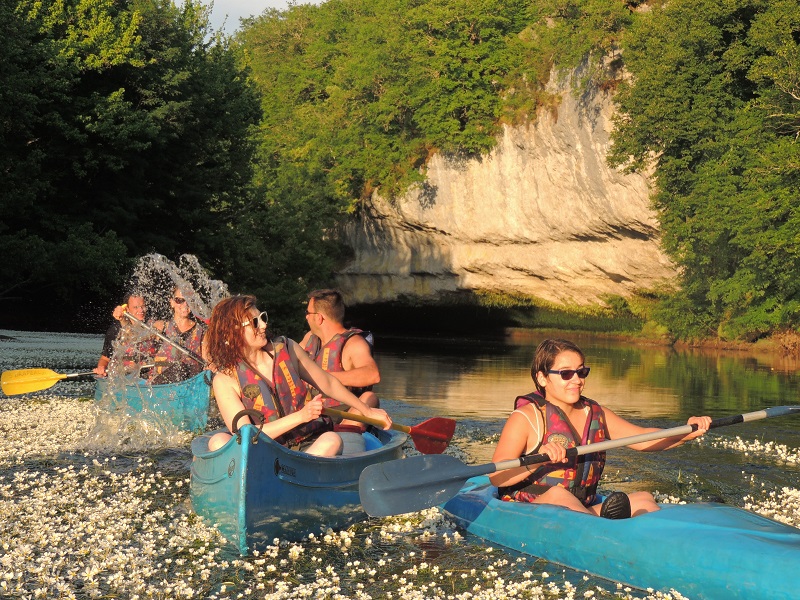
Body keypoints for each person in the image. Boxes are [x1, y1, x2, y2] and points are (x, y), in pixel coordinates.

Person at [489, 338, 712, 519]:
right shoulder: (527, 417)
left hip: (582, 508)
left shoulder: (596, 413)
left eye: (581, 372)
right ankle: (605, 528)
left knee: (643, 499)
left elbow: (643, 439)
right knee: (558, 495)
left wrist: (685, 432)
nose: (577, 380)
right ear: (542, 377)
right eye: (566, 374)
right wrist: (539, 459)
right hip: (529, 507)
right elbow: (497, 477)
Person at [204, 295, 393, 455]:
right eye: (254, 322)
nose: (263, 325)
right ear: (232, 332)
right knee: (218, 441)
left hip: (306, 445)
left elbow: (328, 383)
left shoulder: (288, 349)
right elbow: (246, 434)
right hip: (262, 450)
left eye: (262, 317)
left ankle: (298, 475)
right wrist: (302, 416)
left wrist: (367, 410)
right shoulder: (225, 379)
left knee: (331, 440)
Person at [300, 289, 380, 430]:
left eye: (308, 313)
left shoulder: (354, 343)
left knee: (370, 397)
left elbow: (373, 375)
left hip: (344, 413)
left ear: (319, 318)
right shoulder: (309, 339)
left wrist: (323, 378)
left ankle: (343, 437)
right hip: (312, 410)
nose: (306, 317)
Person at [148, 287, 208, 384]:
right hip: (160, 385)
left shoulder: (203, 332)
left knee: (181, 369)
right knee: (178, 369)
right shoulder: (160, 326)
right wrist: (123, 321)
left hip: (190, 383)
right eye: (179, 300)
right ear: (172, 302)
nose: (185, 304)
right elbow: (137, 336)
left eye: (189, 300)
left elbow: (207, 363)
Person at [94, 293, 157, 377]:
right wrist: (101, 368)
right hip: (124, 376)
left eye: (143, 306)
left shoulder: (153, 326)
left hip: (147, 376)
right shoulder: (116, 330)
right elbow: (105, 358)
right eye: (135, 307)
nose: (141, 310)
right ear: (127, 309)